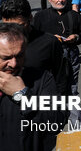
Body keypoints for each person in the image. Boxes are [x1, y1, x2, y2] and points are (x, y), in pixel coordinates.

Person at [0, 23, 68, 151]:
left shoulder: (41, 78)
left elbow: (56, 122)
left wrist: (23, 95)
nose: (14, 64)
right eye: (6, 58)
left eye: (19, 56)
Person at [32, 0, 81, 123]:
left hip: (70, 55)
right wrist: (49, 38)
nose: (60, 0)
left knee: (72, 88)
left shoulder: (73, 15)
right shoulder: (40, 16)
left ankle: (76, 125)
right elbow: (32, 36)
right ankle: (52, 122)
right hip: (49, 57)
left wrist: (76, 37)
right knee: (50, 89)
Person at [0, 0, 68, 96]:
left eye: (20, 26)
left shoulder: (49, 43)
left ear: (30, 18)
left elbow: (60, 78)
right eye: (9, 26)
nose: (15, 31)